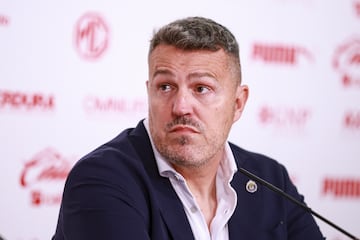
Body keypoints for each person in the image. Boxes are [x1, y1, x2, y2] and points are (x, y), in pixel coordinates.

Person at [53, 16, 324, 239]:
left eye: (201, 88)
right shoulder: (101, 179)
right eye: (166, 87)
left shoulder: (270, 179)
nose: (181, 106)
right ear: (150, 93)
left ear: (238, 103)